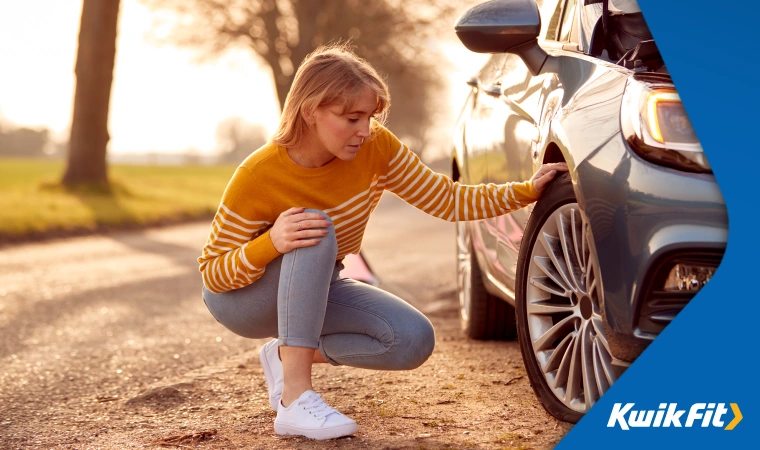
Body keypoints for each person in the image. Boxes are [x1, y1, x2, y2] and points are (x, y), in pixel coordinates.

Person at [198, 43, 568, 440]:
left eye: (370, 117)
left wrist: (526, 191)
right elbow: (213, 275)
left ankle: (286, 357)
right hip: (244, 300)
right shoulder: (258, 174)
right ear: (310, 111)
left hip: (316, 287)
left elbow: (445, 198)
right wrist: (272, 242)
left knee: (411, 340)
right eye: (352, 117)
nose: (364, 130)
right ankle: (294, 398)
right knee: (313, 227)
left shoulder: (375, 148)